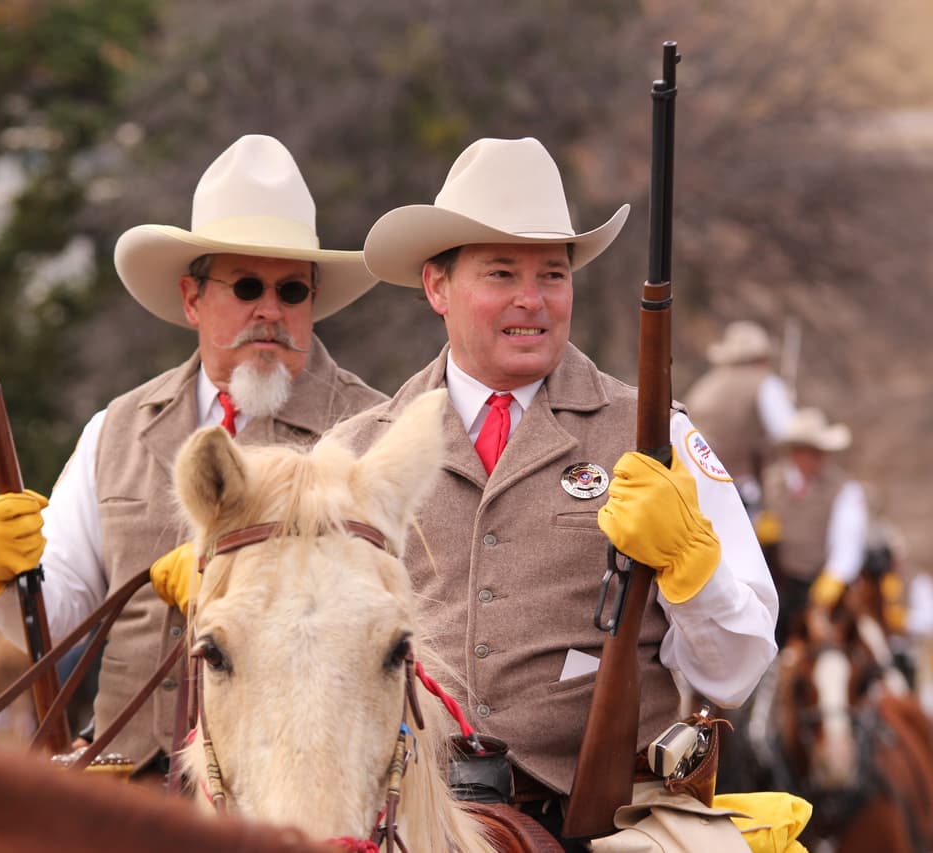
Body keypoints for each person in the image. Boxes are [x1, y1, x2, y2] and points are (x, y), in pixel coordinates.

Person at [321, 137, 777, 844]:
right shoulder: (353, 453)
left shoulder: (660, 435)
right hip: (404, 814)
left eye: (553, 275)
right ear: (436, 286)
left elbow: (739, 668)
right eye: (502, 273)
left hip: (621, 815)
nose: (532, 301)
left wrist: (693, 565)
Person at [0, 134, 386, 776]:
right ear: (192, 298)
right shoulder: (116, 428)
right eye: (246, 286)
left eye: (292, 292)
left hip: (296, 793)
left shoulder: (371, 432)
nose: (270, 311)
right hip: (130, 789)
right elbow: (56, 619)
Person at [759, 407, 866, 646]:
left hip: (818, 584)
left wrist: (833, 580)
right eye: (808, 451)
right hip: (776, 583)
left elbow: (847, 546)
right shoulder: (771, 482)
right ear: (795, 453)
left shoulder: (844, 490)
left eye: (820, 451)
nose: (817, 458)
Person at [683, 321, 796, 511]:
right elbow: (788, 434)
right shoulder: (766, 384)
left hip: (692, 482)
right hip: (740, 488)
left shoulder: (705, 384)